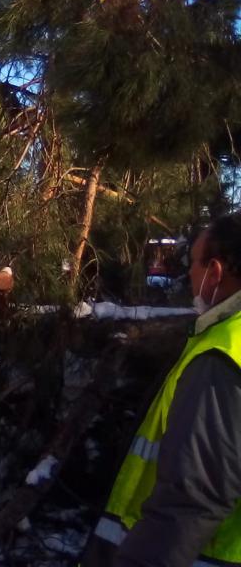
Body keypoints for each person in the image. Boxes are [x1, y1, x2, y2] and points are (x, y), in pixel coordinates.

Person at [82, 212, 241, 566]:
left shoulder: (222, 355)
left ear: (214, 272)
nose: (189, 275)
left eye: (194, 264)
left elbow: (193, 500)